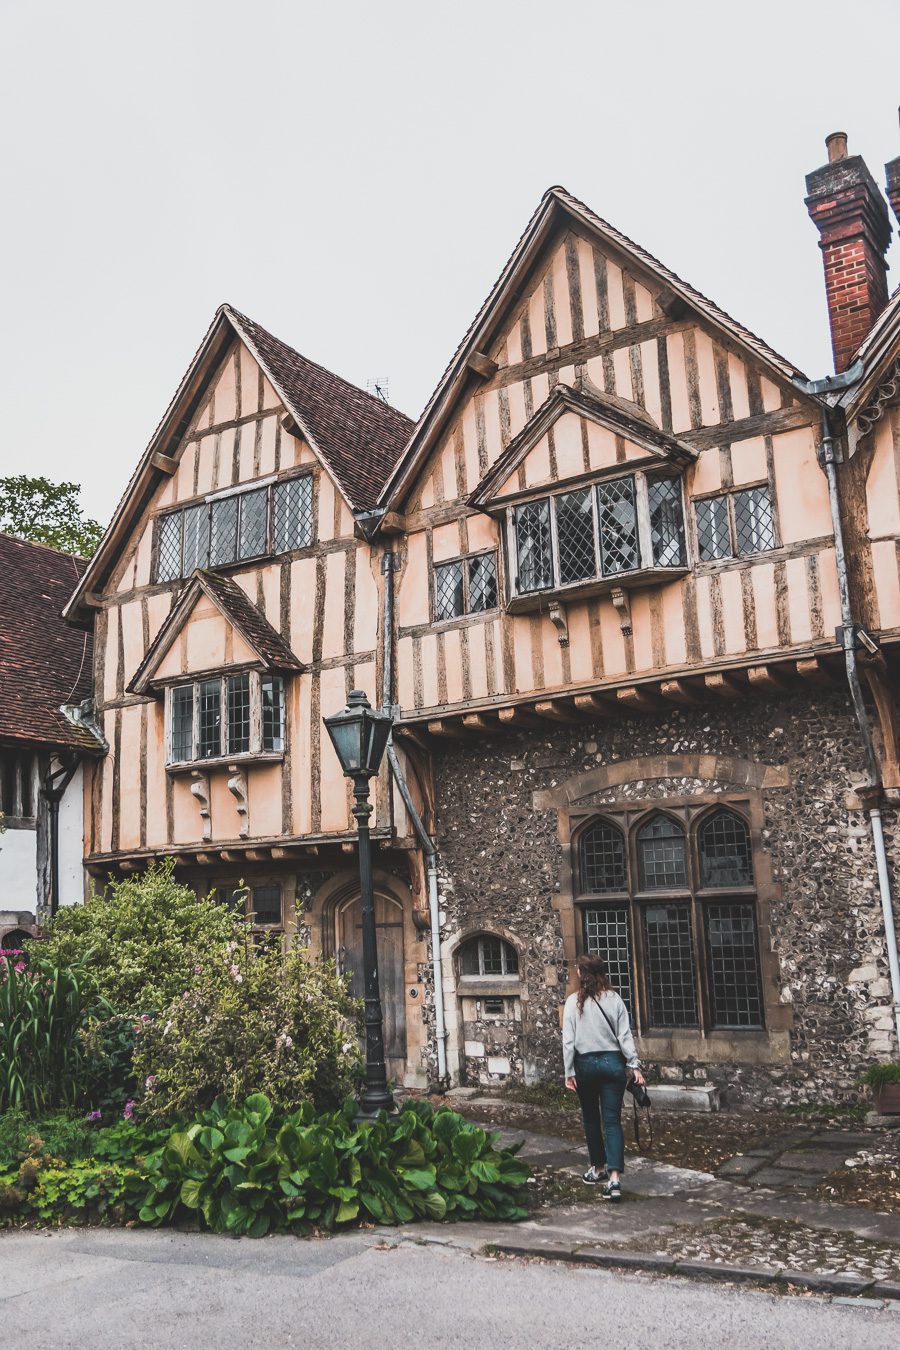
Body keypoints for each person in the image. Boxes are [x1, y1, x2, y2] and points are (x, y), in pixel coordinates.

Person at [563, 954, 645, 1203]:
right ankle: (614, 1179)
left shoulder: (572, 1002)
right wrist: (635, 1066)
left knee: (590, 1118)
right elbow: (625, 1036)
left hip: (585, 1066)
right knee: (612, 1121)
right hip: (612, 1065)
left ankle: (598, 1167)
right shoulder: (614, 999)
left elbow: (568, 1042)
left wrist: (569, 1072)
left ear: (581, 974)